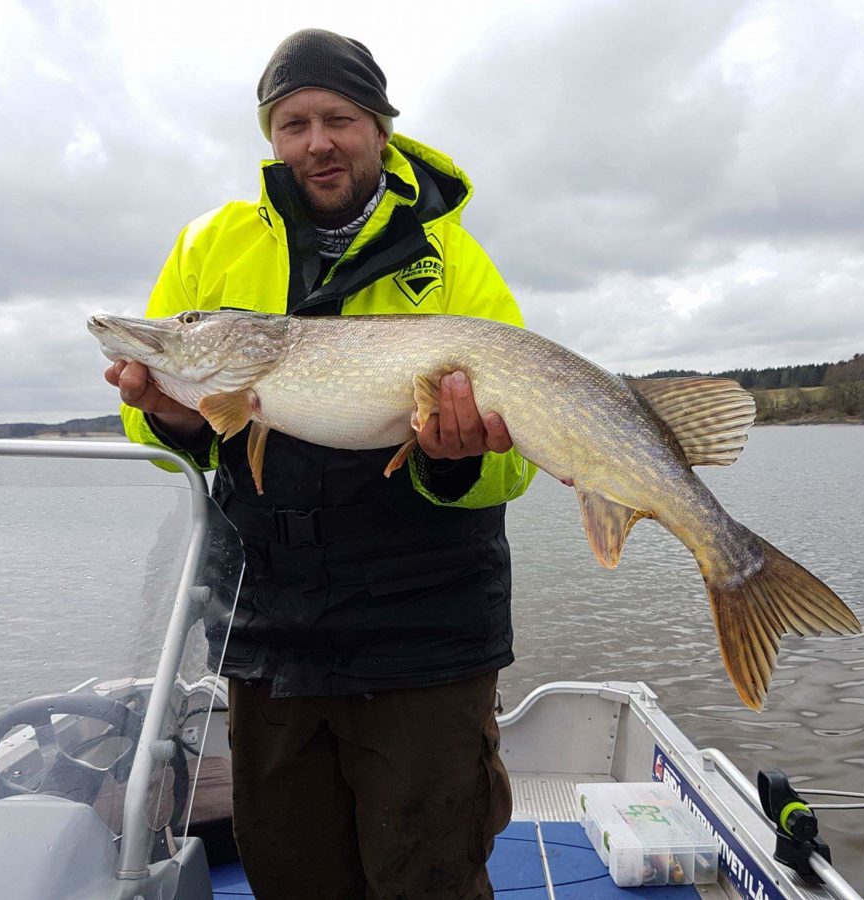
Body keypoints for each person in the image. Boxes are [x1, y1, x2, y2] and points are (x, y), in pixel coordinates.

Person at [104, 28, 535, 900]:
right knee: (292, 875)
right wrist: (172, 420)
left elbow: (517, 463)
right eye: (292, 123)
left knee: (430, 878)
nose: (316, 143)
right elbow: (160, 437)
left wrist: (455, 462)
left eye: (338, 118)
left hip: (424, 635)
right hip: (269, 629)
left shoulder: (453, 260)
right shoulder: (210, 246)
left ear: (380, 127)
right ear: (272, 136)